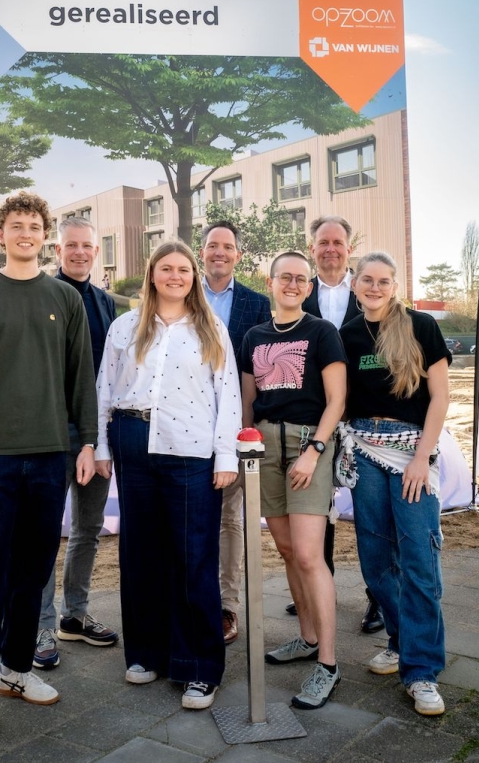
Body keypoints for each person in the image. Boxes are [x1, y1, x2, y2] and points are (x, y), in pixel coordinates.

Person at [0, 192, 98, 755]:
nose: (26, 233)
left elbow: (81, 378)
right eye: (16, 225)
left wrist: (87, 441)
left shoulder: (64, 299)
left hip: (52, 457)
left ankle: (16, 669)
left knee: (32, 574)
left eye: (34, 225)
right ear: (0, 234)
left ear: (45, 235)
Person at [95, 240, 242, 710]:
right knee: (140, 553)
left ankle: (199, 666)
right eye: (166, 268)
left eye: (183, 269)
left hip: (191, 449)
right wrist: (101, 445)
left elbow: (228, 393)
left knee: (193, 556)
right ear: (152, 274)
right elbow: (104, 389)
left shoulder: (210, 327)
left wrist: (225, 456)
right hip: (132, 441)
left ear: (193, 277)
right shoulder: (124, 327)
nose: (175, 276)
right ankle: (147, 653)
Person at [338, 251, 450, 717]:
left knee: (418, 556)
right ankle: (402, 641)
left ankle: (421, 670)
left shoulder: (421, 326)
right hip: (364, 451)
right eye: (367, 279)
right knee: (376, 558)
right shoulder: (346, 334)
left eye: (384, 281)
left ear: (395, 286)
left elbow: (440, 395)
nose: (375, 287)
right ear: (355, 284)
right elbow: (339, 398)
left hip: (411, 452)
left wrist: (422, 456)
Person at [241, 251, 346, 710]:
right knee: (285, 549)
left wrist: (315, 450)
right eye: (285, 277)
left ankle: (328, 663)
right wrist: (244, 447)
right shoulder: (254, 336)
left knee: (308, 554)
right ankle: (306, 638)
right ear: (270, 282)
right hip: (264, 448)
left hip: (307, 446)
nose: (293, 284)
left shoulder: (322, 332)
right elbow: (248, 401)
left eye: (301, 279)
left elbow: (336, 400)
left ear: (309, 287)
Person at [34, 217, 118, 670]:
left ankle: (74, 614)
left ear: (96, 251)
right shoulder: (43, 295)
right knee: (45, 533)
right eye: (72, 245)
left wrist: (100, 437)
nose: (80, 252)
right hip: (51, 434)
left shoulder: (106, 303)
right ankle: (41, 625)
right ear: (58, 249)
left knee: (88, 528)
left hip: (95, 435)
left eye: (87, 245)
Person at [301, 215, 384, 635]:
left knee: (371, 512)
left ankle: (378, 596)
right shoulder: (299, 289)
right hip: (313, 417)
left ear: (349, 248)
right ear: (312, 248)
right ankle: (323, 591)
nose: (330, 248)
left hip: (362, 416)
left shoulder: (368, 290)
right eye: (323, 242)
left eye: (338, 241)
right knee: (318, 509)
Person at [199, 221, 271, 644]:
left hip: (237, 426)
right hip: (187, 425)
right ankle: (195, 599)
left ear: (238, 256)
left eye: (227, 247)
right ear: (202, 252)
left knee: (230, 518)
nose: (219, 252)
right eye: (213, 245)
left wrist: (249, 426)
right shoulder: (183, 295)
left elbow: (260, 370)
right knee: (192, 516)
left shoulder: (256, 305)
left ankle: (227, 606)